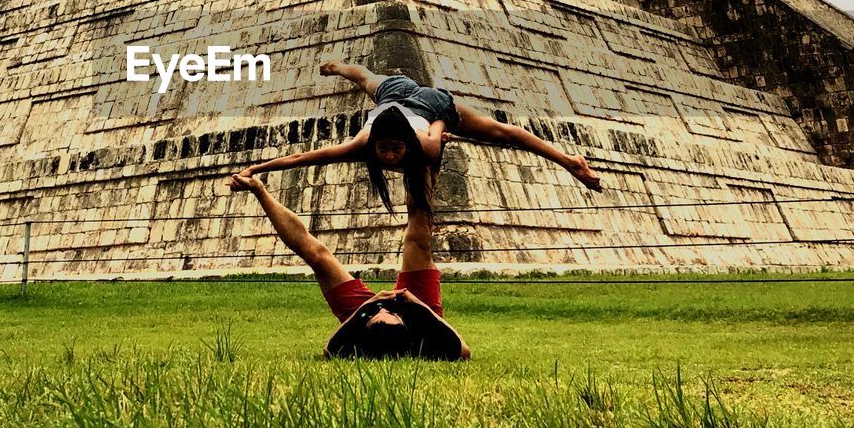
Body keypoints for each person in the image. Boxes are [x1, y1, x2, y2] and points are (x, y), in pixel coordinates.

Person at [237, 62, 602, 217]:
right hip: (392, 97)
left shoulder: (424, 143)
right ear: (374, 144)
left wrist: (437, 144)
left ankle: (571, 161)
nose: (392, 157)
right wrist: (257, 167)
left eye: (396, 150)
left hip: (431, 107)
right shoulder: (363, 142)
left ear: (406, 144)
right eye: (387, 150)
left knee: (503, 132)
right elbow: (307, 157)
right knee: (365, 78)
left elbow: (441, 125)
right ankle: (338, 68)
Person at [227, 171, 471, 360]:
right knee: (418, 236)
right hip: (420, 312)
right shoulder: (427, 341)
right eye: (390, 313)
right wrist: (415, 303)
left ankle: (259, 190)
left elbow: (328, 351)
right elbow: (464, 350)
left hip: (360, 312)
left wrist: (369, 306)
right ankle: (423, 163)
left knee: (317, 256)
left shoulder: (357, 333)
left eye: (379, 314)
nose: (385, 307)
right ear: (403, 322)